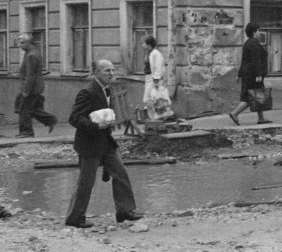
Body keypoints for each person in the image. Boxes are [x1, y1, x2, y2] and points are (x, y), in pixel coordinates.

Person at [65, 60, 142, 229]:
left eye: (113, 70)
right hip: (89, 143)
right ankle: (75, 217)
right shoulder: (87, 91)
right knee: (86, 181)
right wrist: (96, 126)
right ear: (96, 73)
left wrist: (107, 123)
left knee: (120, 172)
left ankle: (124, 210)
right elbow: (75, 118)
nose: (111, 73)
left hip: (105, 141)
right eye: (107, 70)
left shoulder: (107, 89)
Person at [228, 22, 270, 125]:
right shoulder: (254, 44)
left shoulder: (248, 43)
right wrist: (259, 75)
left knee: (258, 95)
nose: (259, 32)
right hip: (253, 75)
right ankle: (234, 113)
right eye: (258, 30)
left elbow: (244, 61)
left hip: (248, 74)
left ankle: (261, 118)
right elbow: (256, 61)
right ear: (254, 32)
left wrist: (239, 74)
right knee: (252, 96)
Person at [16, 33, 57, 137]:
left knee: (24, 109)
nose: (19, 45)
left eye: (22, 43)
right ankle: (50, 120)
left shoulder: (31, 55)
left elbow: (31, 75)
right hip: (34, 87)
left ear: (28, 43)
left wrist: (26, 91)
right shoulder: (32, 53)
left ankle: (27, 132)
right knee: (32, 109)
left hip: (32, 88)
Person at [141, 36, 168, 119]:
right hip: (148, 77)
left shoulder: (156, 53)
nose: (142, 45)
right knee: (153, 99)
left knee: (148, 99)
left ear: (149, 44)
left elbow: (158, 67)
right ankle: (155, 118)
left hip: (153, 79)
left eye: (144, 43)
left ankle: (156, 117)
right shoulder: (149, 52)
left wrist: (156, 80)